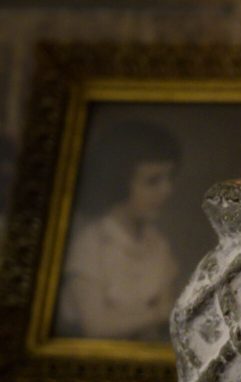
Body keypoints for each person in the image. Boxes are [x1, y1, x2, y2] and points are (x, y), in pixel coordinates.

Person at [55, 120, 180, 341]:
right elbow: (95, 327)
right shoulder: (91, 244)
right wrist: (158, 314)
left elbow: (168, 318)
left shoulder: (158, 245)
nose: (167, 190)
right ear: (119, 182)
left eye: (168, 179)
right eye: (153, 181)